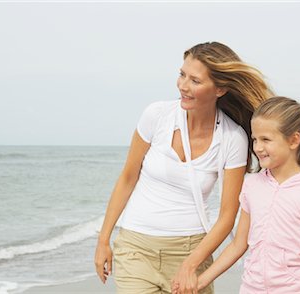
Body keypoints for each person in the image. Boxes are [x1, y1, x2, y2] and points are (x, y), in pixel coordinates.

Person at [94, 41, 273, 294]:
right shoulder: (156, 116)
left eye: (195, 81)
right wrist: (103, 240)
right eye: (182, 75)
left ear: (220, 89)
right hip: (135, 248)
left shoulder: (232, 138)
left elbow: (227, 216)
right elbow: (127, 178)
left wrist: (190, 265)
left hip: (191, 252)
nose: (183, 86)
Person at [189, 96, 300, 294]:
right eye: (254, 139)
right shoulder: (251, 185)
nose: (258, 147)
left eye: (266, 140)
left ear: (294, 140)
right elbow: (238, 245)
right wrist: (200, 282)